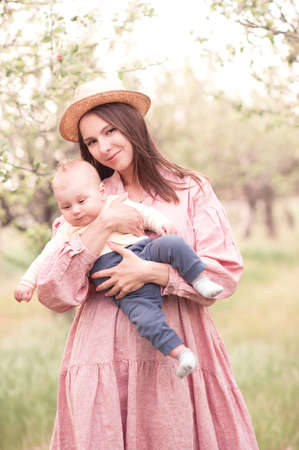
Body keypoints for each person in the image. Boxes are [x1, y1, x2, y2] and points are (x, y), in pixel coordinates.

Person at [36, 78, 259, 449]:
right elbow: (52, 291)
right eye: (91, 141)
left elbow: (224, 273)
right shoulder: (86, 204)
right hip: (103, 358)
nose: (103, 147)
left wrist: (154, 273)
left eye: (110, 131)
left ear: (132, 125)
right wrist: (105, 222)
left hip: (178, 351)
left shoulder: (190, 190)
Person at [14, 159, 224, 379]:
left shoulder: (116, 204)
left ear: (101, 192)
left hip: (146, 251)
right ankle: (181, 353)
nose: (75, 211)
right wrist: (27, 282)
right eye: (66, 206)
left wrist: (162, 224)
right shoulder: (67, 229)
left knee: (173, 244)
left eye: (81, 201)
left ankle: (200, 280)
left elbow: (144, 214)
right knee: (146, 320)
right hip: (120, 286)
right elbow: (45, 257)